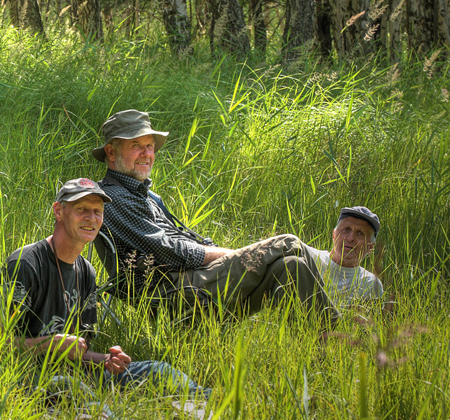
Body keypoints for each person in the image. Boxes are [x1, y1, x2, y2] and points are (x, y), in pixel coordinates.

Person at [93, 109, 339, 322]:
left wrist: (234, 257)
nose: (147, 154)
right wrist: (234, 256)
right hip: (172, 290)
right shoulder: (111, 198)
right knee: (288, 242)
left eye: (150, 146)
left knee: (291, 266)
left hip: (192, 279)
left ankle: (324, 339)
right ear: (111, 153)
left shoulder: (146, 195)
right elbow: (167, 251)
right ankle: (340, 320)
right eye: (136, 146)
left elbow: (176, 244)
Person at [0, 178, 209, 418]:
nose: (91, 218)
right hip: (33, 379)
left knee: (158, 370)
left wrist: (106, 360)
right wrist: (49, 343)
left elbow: (78, 352)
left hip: (77, 373)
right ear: (58, 211)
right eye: (82, 210)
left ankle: (208, 409)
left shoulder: (86, 271)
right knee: (70, 386)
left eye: (98, 211)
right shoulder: (25, 263)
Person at [304, 206, 384, 304]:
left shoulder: (370, 284)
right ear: (334, 235)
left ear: (370, 247)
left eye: (360, 233)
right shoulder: (309, 257)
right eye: (346, 229)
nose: (351, 238)